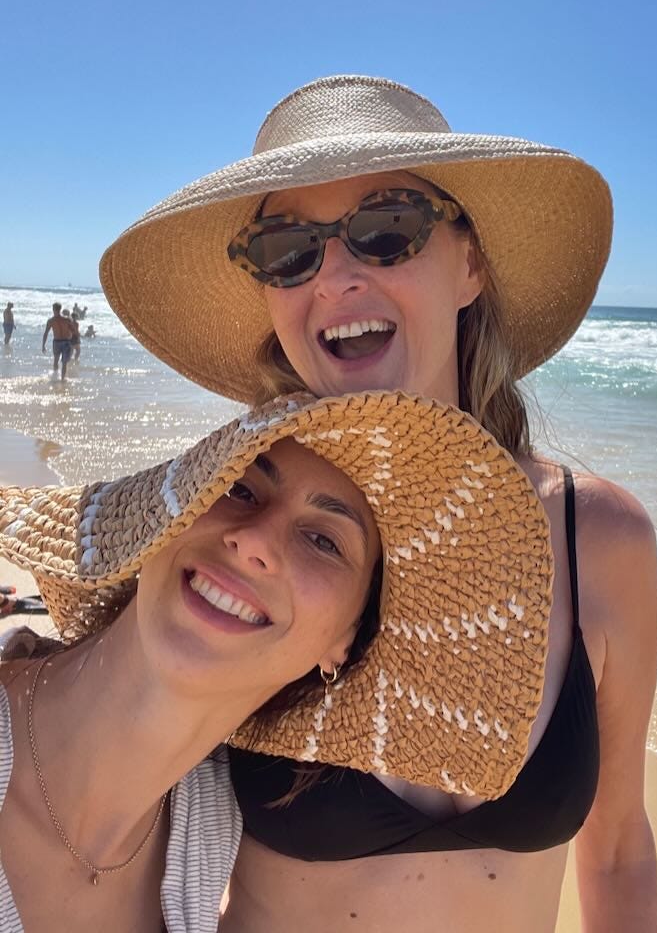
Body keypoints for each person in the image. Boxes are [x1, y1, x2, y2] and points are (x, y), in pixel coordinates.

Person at [100, 75, 657, 932]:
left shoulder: (602, 539)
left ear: (470, 265)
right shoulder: (223, 528)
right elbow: (90, 819)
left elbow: (618, 850)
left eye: (386, 229)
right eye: (287, 248)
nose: (335, 277)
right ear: (268, 292)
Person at [0, 389, 551, 931]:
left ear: (345, 642)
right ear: (166, 519)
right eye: (240, 488)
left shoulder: (206, 831)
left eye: (323, 541)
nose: (254, 541)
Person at [41, 302, 74, 380]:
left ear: (53, 309)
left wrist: (43, 345)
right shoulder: (66, 319)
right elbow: (73, 330)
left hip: (57, 342)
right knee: (64, 362)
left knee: (56, 360)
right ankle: (62, 379)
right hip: (66, 341)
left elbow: (46, 333)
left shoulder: (51, 321)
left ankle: (55, 377)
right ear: (60, 309)